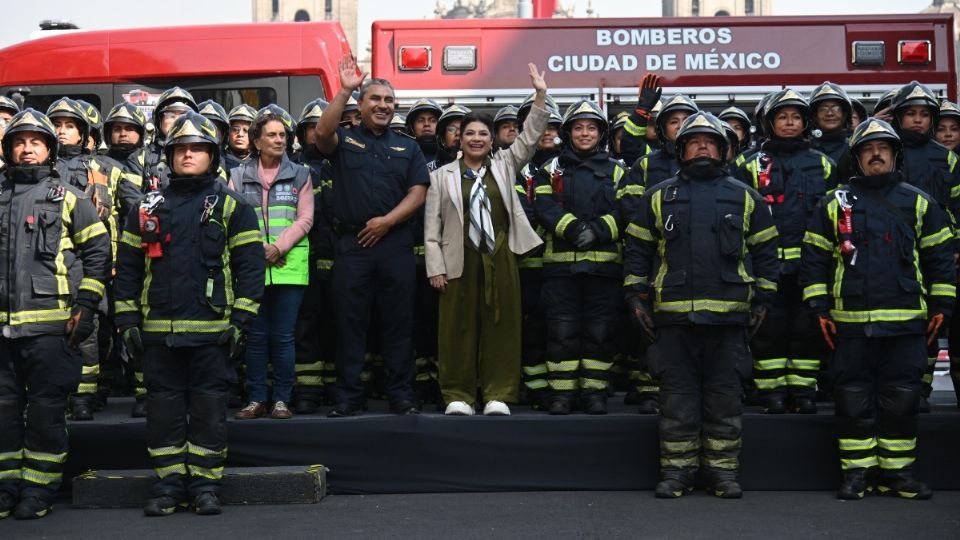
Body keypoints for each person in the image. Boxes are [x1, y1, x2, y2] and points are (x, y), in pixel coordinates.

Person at [114, 111, 264, 516]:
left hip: (212, 333)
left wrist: (241, 323)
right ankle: (167, 485)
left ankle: (205, 485)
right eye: (181, 148)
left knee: (209, 411)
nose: (188, 154)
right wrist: (127, 321)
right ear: (169, 154)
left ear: (213, 157)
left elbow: (250, 269)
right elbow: (127, 269)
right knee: (162, 412)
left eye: (198, 148)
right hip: (158, 333)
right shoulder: (146, 207)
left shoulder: (234, 207)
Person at [624, 112, 779, 499]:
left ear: (724, 150)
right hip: (673, 320)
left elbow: (767, 253)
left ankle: (722, 474)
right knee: (676, 401)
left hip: (729, 319)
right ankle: (677, 473)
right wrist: (635, 297)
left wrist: (763, 299)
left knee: (724, 401)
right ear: (681, 150)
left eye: (711, 142)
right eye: (695, 142)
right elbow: (637, 251)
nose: (703, 147)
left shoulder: (746, 196)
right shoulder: (658, 196)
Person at [799, 118, 955, 500]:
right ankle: (858, 472)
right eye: (868, 150)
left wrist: (943, 304)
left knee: (901, 402)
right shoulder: (833, 204)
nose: (875, 154)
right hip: (849, 325)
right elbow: (814, 260)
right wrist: (819, 307)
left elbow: (940, 259)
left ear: (895, 155)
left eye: (883, 149)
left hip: (905, 324)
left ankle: (897, 473)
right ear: (855, 158)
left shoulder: (919, 202)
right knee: (852, 402)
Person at [0, 109, 111, 519]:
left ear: (48, 149)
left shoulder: (68, 198)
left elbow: (99, 253)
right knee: (3, 413)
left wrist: (85, 306)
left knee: (47, 413)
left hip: (50, 327)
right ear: (9, 149)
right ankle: (6, 485)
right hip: (1, 331)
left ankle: (39, 490)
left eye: (35, 142)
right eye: (19, 142)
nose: (26, 149)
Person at [425, 64, 548, 416]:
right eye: (469, 134)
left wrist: (539, 95)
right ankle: (458, 395)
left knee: (502, 328)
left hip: (500, 257)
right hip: (457, 261)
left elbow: (530, 136)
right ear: (458, 139)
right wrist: (435, 267)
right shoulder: (441, 177)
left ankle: (498, 394)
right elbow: (431, 227)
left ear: (492, 140)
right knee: (456, 331)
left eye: (483, 134)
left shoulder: (505, 166)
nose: (476, 139)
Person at [313, 56, 429, 417]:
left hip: (395, 244)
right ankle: (349, 396)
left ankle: (401, 395)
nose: (382, 105)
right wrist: (345, 88)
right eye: (375, 99)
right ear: (360, 106)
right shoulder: (344, 140)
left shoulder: (407, 147)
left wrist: (387, 222)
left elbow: (418, 192)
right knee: (350, 323)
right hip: (353, 246)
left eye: (388, 101)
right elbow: (320, 134)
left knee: (399, 324)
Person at [738, 89, 835, 414]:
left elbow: (839, 216)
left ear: (806, 122)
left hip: (811, 267)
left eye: (795, 117)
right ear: (769, 123)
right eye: (783, 117)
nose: (790, 122)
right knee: (769, 330)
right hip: (766, 267)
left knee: (806, 330)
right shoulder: (749, 165)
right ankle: (772, 392)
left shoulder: (823, 163)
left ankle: (803, 390)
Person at [533, 99, 628, 415]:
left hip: (604, 270)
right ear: (567, 132)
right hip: (561, 269)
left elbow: (627, 210)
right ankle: (561, 394)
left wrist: (600, 231)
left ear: (600, 133)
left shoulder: (618, 171)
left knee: (600, 333)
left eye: (591, 127)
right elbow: (542, 207)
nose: (584, 133)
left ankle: (594, 394)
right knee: (561, 332)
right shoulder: (550, 169)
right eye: (578, 127)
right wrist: (573, 229)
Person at [230, 106, 313, 420]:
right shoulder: (237, 175)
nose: (279, 140)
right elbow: (233, 218)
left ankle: (281, 399)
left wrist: (278, 247)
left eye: (283, 135)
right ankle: (255, 398)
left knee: (283, 336)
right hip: (252, 266)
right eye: (272, 135)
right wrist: (258, 249)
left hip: (289, 266)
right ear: (257, 140)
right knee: (256, 336)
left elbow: (305, 218)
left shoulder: (301, 173)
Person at [46, 97, 125, 421]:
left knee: (88, 333)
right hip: (46, 267)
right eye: (57, 125)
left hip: (86, 264)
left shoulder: (103, 169)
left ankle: (84, 396)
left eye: (70, 126)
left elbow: (124, 215)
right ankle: (55, 396)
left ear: (83, 133)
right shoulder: (36, 172)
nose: (62, 132)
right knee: (48, 337)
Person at [888, 81, 960, 411]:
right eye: (910, 114)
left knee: (931, 320)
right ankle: (899, 385)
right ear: (897, 117)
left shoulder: (947, 160)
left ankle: (922, 387)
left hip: (935, 253)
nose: (917, 120)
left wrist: (955, 246)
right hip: (891, 253)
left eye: (923, 115)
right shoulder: (884, 151)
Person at [515, 106, 563, 410]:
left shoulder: (568, 167)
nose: (547, 132)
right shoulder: (518, 168)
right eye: (541, 127)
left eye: (553, 127)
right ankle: (535, 388)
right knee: (530, 330)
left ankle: (558, 388)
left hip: (561, 266)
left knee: (559, 330)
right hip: (526, 266)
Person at [291, 98, 337, 414]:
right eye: (311, 128)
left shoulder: (344, 162)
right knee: (304, 324)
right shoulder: (291, 167)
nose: (317, 133)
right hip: (302, 259)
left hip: (341, 259)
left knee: (338, 325)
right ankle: (308, 389)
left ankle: (337, 385)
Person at [809, 81, 853, 165]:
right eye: (823, 109)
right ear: (814, 116)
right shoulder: (805, 149)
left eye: (835, 108)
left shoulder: (854, 149)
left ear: (844, 115)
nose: (830, 113)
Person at [428, 104, 471, 172]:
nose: (458, 133)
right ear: (442, 139)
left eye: (463, 129)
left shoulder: (487, 167)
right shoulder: (430, 170)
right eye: (451, 129)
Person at [405, 98, 443, 164]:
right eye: (420, 120)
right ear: (411, 127)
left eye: (433, 120)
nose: (426, 124)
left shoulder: (452, 155)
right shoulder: (403, 155)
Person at [223, 104, 257, 172]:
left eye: (246, 130)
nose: (240, 134)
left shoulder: (263, 163)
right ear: (228, 133)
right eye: (235, 130)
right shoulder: (218, 162)